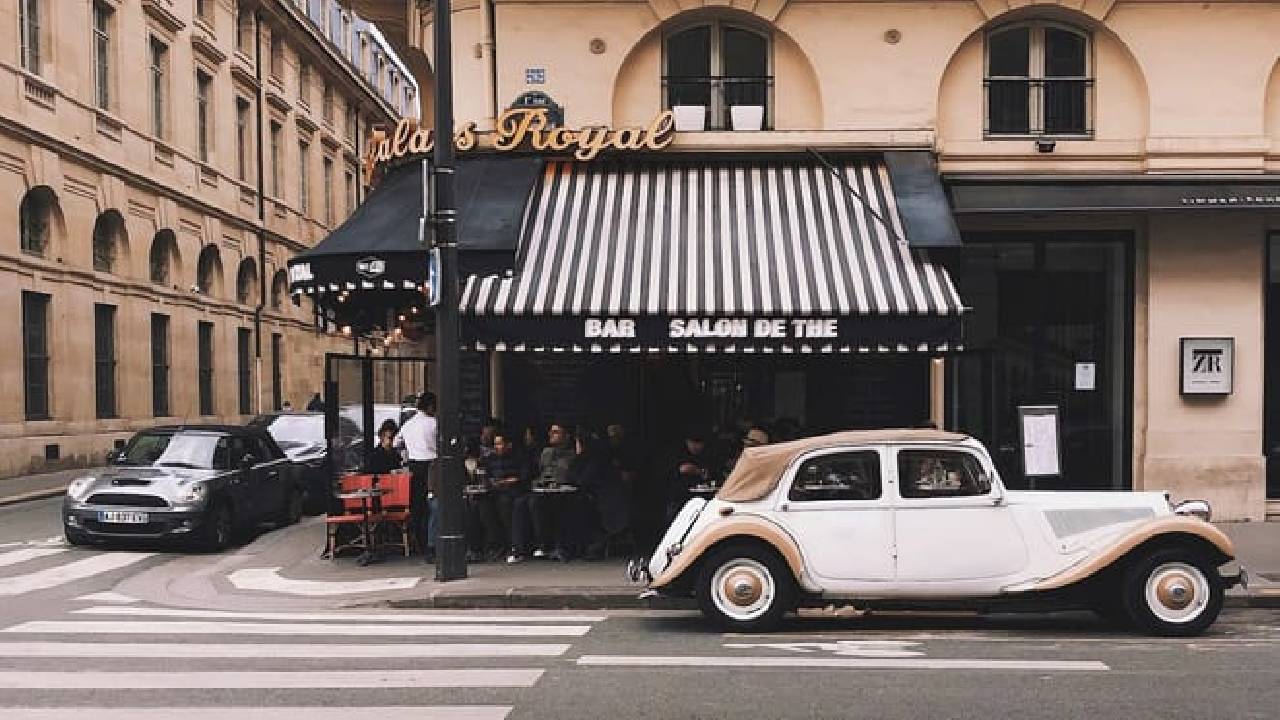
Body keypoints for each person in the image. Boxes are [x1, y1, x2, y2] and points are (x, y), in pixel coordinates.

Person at [519, 423, 574, 559]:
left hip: (565, 491)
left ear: (566, 436)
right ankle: (522, 547)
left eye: (556, 432)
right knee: (521, 503)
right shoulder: (546, 452)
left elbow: (567, 474)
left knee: (552, 504)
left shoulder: (572, 454)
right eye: (551, 431)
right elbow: (541, 472)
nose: (551, 434)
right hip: (543, 489)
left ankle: (552, 545)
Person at [394, 392, 438, 562]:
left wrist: (407, 454)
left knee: (418, 507)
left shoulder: (408, 425)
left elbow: (397, 443)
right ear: (431, 406)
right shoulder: (434, 423)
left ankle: (420, 543)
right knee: (433, 506)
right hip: (432, 466)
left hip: (414, 467)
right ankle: (432, 544)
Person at [479, 432, 530, 563]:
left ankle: (513, 545)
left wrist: (505, 481)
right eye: (495, 444)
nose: (497, 447)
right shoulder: (490, 459)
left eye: (500, 444)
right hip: (494, 491)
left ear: (509, 445)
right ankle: (494, 545)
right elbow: (486, 475)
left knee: (505, 503)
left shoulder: (518, 458)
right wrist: (489, 482)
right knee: (482, 505)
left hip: (512, 491)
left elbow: (523, 477)